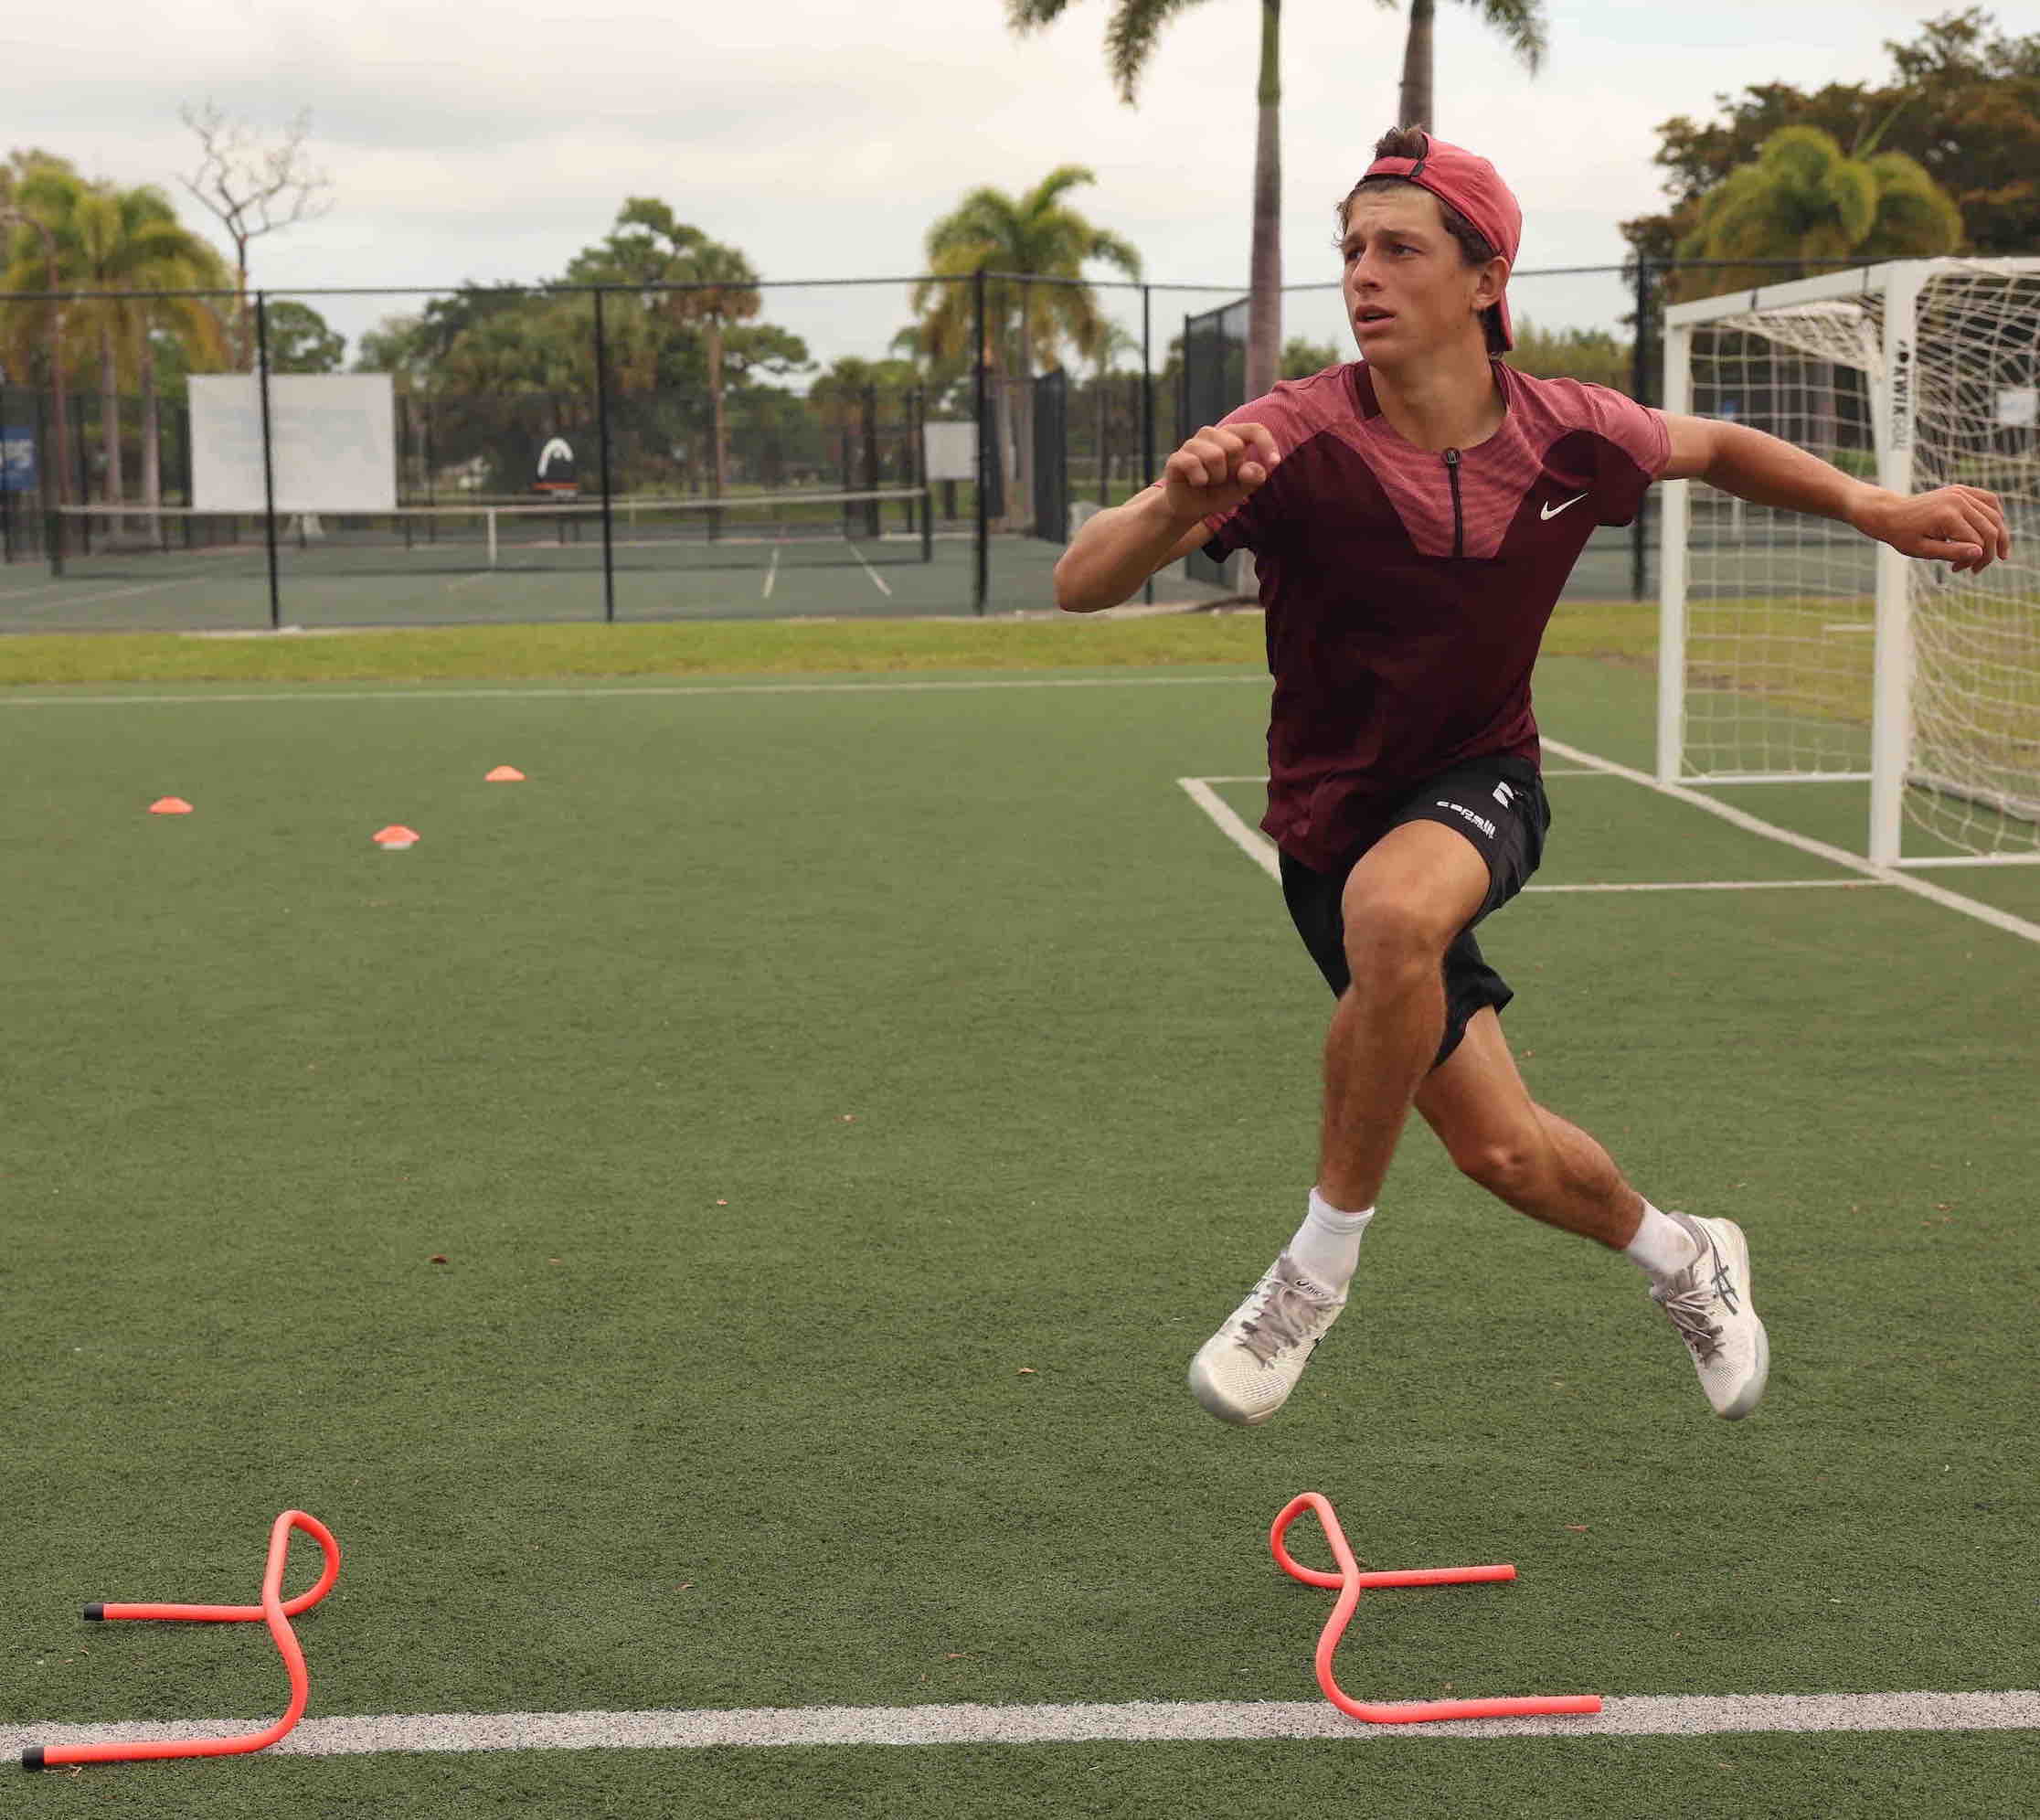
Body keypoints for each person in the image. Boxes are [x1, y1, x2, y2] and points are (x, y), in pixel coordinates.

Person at [1054, 126, 2012, 1429]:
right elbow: (1081, 583)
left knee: (1394, 915)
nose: (1364, 276)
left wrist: (1877, 509)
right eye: (1351, 250)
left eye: (1400, 249)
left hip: (1481, 777)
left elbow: (1717, 446)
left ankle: (1312, 1274)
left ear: (1485, 278)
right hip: (1327, 823)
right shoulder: (1291, 437)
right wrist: (1171, 504)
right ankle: (1689, 1256)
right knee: (1501, 1150)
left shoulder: (1572, 433)